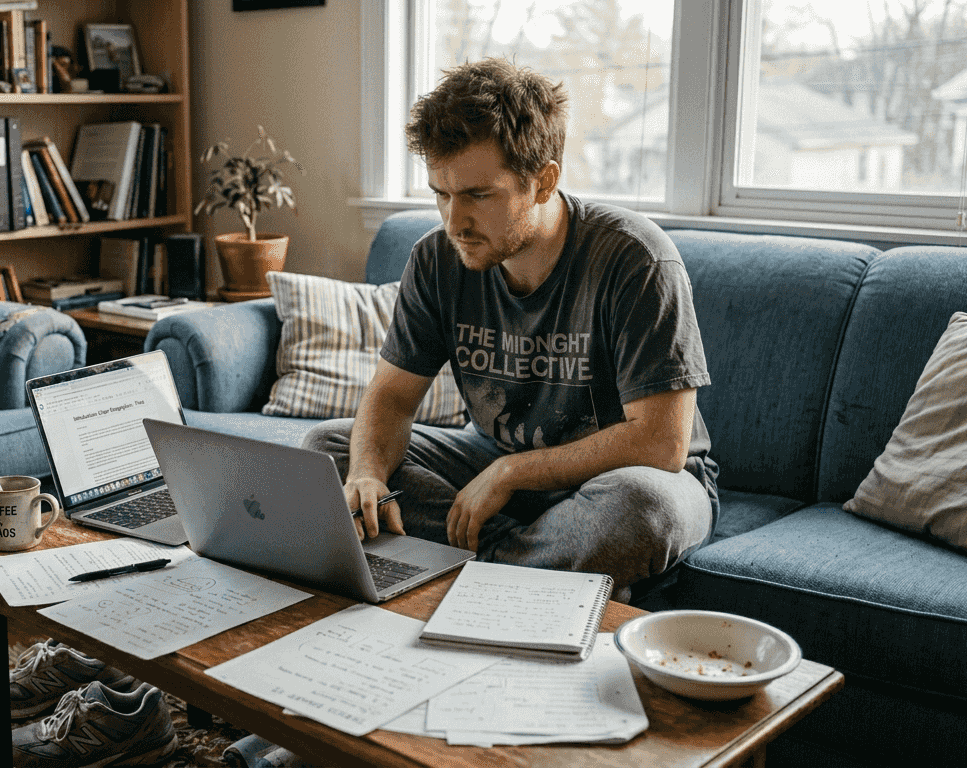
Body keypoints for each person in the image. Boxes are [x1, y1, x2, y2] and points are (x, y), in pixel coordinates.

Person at [302, 58, 719, 600]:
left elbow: (661, 443)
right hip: (495, 464)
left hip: (636, 477)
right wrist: (366, 474)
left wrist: (510, 474)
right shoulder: (436, 260)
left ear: (543, 181)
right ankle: (532, 571)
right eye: (441, 194)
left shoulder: (635, 259)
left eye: (478, 195)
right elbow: (393, 399)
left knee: (646, 510)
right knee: (328, 451)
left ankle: (468, 579)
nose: (455, 222)